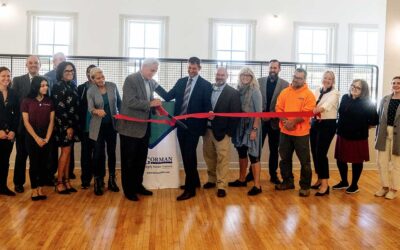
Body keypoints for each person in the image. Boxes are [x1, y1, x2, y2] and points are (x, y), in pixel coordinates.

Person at [156, 57, 212, 201]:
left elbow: (207, 106)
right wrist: (155, 85)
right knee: (189, 156)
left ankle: (190, 189)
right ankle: (195, 182)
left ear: (199, 68)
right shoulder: (181, 82)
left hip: (194, 127)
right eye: (189, 68)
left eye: (194, 68)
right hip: (180, 125)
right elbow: (168, 96)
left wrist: (210, 113)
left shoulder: (206, 85)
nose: (191, 70)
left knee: (188, 156)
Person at [116, 58, 162, 202]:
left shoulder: (149, 82)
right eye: (152, 70)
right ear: (143, 67)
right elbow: (130, 101)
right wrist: (150, 103)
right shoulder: (131, 79)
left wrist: (155, 107)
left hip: (144, 128)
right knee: (128, 161)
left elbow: (148, 101)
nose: (154, 73)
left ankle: (137, 186)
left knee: (140, 160)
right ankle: (128, 190)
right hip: (129, 129)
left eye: (155, 71)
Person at [275, 68, 316, 197]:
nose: (296, 79)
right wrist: (286, 122)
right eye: (295, 76)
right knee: (284, 159)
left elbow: (306, 112)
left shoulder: (309, 95)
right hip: (285, 132)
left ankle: (305, 186)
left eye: (299, 78)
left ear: (304, 80)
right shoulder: (284, 92)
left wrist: (292, 122)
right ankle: (287, 182)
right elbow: (278, 108)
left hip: (301, 134)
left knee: (305, 162)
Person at [246, 59, 289, 184]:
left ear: (279, 69)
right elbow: (253, 101)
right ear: (268, 68)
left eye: (275, 68)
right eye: (271, 68)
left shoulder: (285, 85)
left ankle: (273, 175)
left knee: (274, 151)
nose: (273, 70)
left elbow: (285, 105)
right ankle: (251, 173)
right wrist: (261, 115)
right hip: (259, 122)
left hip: (275, 123)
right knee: (256, 149)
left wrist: (272, 116)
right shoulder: (259, 82)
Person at [333, 79, 378, 194]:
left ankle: (354, 185)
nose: (354, 88)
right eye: (353, 85)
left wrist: (363, 126)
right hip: (342, 133)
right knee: (340, 159)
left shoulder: (367, 102)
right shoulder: (344, 97)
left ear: (363, 91)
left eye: (358, 87)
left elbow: (374, 120)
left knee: (356, 161)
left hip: (358, 136)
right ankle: (344, 182)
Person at [202, 67, 241, 198]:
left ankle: (222, 185)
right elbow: (203, 105)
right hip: (207, 130)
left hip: (222, 133)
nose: (219, 77)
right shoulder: (208, 89)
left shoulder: (233, 93)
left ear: (227, 76)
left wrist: (229, 133)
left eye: (222, 75)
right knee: (209, 157)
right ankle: (212, 180)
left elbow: (235, 115)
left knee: (223, 159)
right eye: (218, 74)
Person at [228, 67, 263, 196]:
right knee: (241, 153)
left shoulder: (255, 91)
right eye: (243, 75)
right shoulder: (238, 90)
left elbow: (259, 113)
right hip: (240, 126)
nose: (245, 77)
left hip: (251, 126)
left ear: (252, 77)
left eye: (248, 75)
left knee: (254, 156)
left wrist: (254, 129)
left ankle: (257, 185)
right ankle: (242, 179)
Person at [87, 67, 121, 196]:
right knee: (98, 154)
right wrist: (97, 111)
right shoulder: (91, 91)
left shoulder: (112, 86)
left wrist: (122, 117)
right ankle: (98, 180)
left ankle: (112, 179)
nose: (101, 80)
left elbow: (119, 103)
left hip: (112, 125)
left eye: (102, 77)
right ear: (93, 79)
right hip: (97, 126)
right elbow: (90, 108)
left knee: (111, 152)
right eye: (98, 78)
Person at [21, 76, 54, 201]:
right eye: (42, 85)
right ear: (36, 86)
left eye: (46, 85)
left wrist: (46, 138)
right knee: (34, 164)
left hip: (46, 137)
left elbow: (51, 121)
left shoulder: (49, 101)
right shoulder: (27, 101)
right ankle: (34, 190)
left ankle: (40, 189)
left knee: (43, 164)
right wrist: (36, 138)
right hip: (32, 137)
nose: (45, 87)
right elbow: (26, 122)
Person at [11, 55, 41, 193]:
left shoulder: (44, 81)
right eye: (30, 63)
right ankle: (18, 182)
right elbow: (14, 105)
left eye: (36, 62)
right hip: (22, 126)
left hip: (40, 127)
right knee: (21, 156)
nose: (33, 65)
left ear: (39, 65)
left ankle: (38, 183)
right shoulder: (17, 81)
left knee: (38, 157)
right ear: (26, 65)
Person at [52, 61, 80, 194]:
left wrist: (73, 126)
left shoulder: (73, 85)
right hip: (63, 125)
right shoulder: (57, 86)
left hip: (73, 124)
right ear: (61, 73)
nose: (70, 73)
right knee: (65, 152)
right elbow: (59, 108)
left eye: (72, 71)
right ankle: (59, 183)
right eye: (67, 71)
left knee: (68, 153)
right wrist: (67, 127)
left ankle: (67, 181)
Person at [310, 71, 340, 196]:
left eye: (330, 79)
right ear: (322, 79)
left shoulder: (335, 93)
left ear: (333, 81)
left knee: (321, 153)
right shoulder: (317, 90)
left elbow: (326, 106)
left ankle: (325, 185)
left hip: (328, 125)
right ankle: (319, 178)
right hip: (315, 123)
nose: (327, 80)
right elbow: (311, 102)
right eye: (325, 78)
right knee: (314, 153)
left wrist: (316, 110)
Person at [375, 76, 400, 199]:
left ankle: (394, 189)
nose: (396, 85)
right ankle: (384, 187)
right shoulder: (385, 99)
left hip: (398, 136)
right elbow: (380, 117)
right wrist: (376, 135)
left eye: (398, 83)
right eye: (393, 83)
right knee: (382, 162)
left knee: (396, 164)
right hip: (384, 133)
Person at [77, 64, 96, 189]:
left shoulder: (103, 87)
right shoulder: (81, 88)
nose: (91, 74)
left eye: (93, 72)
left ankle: (98, 179)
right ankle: (85, 179)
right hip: (85, 128)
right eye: (89, 72)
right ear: (86, 74)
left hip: (99, 128)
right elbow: (77, 107)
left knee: (99, 154)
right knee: (85, 155)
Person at [0, 67, 18, 196]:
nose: (6, 78)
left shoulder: (13, 93)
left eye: (8, 76)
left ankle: (3, 187)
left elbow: (17, 115)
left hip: (9, 134)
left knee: (5, 161)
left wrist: (13, 131)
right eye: (3, 76)